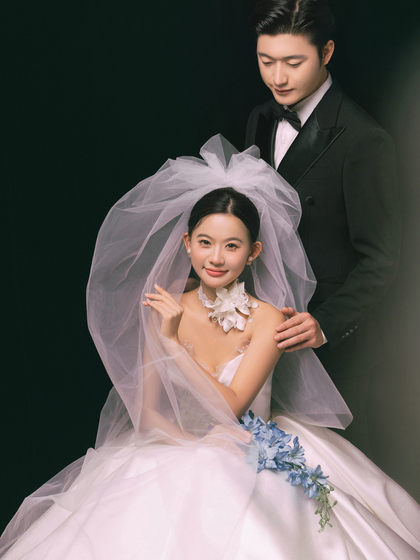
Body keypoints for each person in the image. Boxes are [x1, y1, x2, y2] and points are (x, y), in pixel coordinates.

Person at [0, 136, 418, 560]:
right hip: (175, 446)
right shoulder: (164, 309)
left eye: (232, 245)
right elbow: (146, 414)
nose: (216, 258)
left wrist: (173, 344)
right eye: (205, 242)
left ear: (253, 252)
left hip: (251, 446)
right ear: (187, 243)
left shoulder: (268, 319)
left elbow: (231, 407)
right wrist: (189, 447)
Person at [244, 0, 400, 457]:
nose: (278, 77)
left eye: (293, 63)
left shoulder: (364, 140)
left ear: (326, 52)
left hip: (330, 348)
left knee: (329, 476)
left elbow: (382, 259)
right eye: (266, 61)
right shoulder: (260, 118)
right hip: (260, 334)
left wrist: (325, 325)